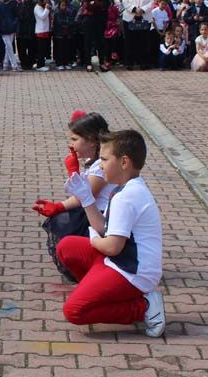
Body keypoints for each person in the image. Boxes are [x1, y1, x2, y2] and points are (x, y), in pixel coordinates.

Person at [54, 129, 165, 336]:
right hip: (120, 262)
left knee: (74, 312)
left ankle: (143, 308)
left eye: (104, 159)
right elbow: (105, 228)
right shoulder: (124, 188)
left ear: (124, 162)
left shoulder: (127, 196)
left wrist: (95, 240)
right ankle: (104, 293)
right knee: (66, 246)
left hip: (133, 273)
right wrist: (85, 198)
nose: (99, 165)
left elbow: (112, 246)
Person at [32, 112, 114, 278]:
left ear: (91, 140)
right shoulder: (96, 162)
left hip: (99, 216)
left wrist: (60, 205)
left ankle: (93, 263)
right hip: (92, 210)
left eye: (75, 139)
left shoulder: (101, 166)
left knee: (64, 221)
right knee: (63, 218)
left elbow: (84, 193)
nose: (71, 144)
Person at [121, 0, 155, 69]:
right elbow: (125, 2)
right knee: (130, 41)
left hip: (145, 19)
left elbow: (151, 3)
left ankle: (143, 62)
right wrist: (135, 9)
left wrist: (142, 10)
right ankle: (129, 63)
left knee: (143, 42)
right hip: (129, 19)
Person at [0, 0, 22, 72]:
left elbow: (17, 15)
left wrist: (15, 23)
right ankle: (14, 65)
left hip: (12, 28)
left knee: (8, 46)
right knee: (9, 46)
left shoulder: (13, 3)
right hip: (3, 28)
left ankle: (5, 64)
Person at [33, 0, 53, 72]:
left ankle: (41, 63)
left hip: (45, 30)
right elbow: (42, 16)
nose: (47, 1)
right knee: (40, 50)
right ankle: (40, 66)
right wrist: (47, 9)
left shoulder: (43, 7)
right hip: (40, 31)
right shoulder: (37, 7)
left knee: (43, 49)